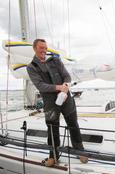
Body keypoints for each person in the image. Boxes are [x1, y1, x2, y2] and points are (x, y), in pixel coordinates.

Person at [27, 39, 88, 167]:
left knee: (73, 125)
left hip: (66, 98)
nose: (44, 50)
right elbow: (40, 86)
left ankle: (79, 150)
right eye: (41, 48)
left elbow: (67, 76)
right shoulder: (31, 67)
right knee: (52, 129)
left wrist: (65, 86)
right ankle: (53, 156)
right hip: (50, 103)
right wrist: (59, 87)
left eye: (45, 47)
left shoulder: (55, 60)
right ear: (34, 48)